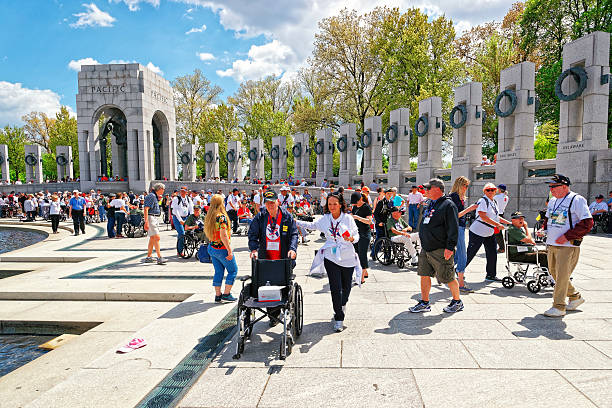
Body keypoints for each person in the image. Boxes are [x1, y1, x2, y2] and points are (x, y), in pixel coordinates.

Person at [296, 192, 360, 332]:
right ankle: (338, 317)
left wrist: (351, 239)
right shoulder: (325, 219)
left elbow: (356, 235)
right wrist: (295, 222)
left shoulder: (348, 218)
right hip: (331, 256)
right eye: (329, 204)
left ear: (341, 205)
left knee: (346, 287)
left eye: (334, 204)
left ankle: (342, 305)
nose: (332, 207)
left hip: (347, 256)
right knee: (335, 288)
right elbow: (311, 225)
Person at [541, 174, 593, 317]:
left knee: (562, 276)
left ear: (564, 186)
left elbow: (587, 223)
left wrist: (566, 236)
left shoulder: (577, 200)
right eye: (550, 187)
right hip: (552, 243)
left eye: (553, 186)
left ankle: (559, 306)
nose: (551, 189)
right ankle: (575, 297)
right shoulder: (552, 201)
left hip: (568, 245)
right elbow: (548, 218)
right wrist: (543, 229)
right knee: (554, 274)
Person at [409, 179, 464, 313]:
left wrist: (450, 247)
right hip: (426, 247)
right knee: (424, 274)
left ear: (438, 189)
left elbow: (453, 228)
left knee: (448, 276)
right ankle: (424, 302)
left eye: (429, 189)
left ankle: (457, 301)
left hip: (440, 248)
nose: (426, 191)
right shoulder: (430, 204)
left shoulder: (448, 205)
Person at [465, 182, 512, 282]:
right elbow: (483, 216)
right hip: (478, 231)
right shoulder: (482, 201)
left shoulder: (494, 201)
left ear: (496, 191)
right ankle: (458, 270)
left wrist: (509, 223)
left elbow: (496, 216)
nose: (490, 191)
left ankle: (491, 275)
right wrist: (497, 225)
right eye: (488, 190)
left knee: (492, 253)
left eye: (492, 190)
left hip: (489, 232)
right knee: (471, 253)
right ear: (484, 191)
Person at [204, 195, 238, 303]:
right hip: (221, 248)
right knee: (233, 270)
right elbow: (223, 235)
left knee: (218, 271)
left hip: (212, 247)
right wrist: (229, 249)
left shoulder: (210, 216)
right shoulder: (221, 217)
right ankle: (226, 294)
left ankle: (218, 295)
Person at [449, 177, 478, 293]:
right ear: (460, 185)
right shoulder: (454, 196)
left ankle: (445, 271)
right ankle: (460, 283)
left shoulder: (459, 197)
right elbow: (456, 215)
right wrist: (470, 209)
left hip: (459, 227)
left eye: (467, 185)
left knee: (458, 254)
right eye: (465, 185)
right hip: (457, 227)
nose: (467, 188)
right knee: (462, 255)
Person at [350, 192, 372, 283]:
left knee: (362, 254)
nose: (354, 204)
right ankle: (364, 271)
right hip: (356, 234)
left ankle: (361, 278)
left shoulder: (367, 207)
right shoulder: (354, 207)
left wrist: (358, 217)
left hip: (365, 234)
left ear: (360, 199)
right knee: (356, 254)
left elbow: (369, 221)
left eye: (356, 202)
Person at [143, 183, 166, 265]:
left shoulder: (153, 196)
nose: (163, 191)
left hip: (153, 217)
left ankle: (149, 256)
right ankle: (159, 257)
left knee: (153, 238)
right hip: (151, 217)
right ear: (160, 189)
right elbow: (146, 209)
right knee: (157, 237)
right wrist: (146, 222)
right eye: (163, 189)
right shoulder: (152, 196)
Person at [372, 188, 394, 259]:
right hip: (380, 223)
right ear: (385, 194)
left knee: (389, 240)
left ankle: (387, 256)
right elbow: (375, 213)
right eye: (388, 194)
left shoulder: (391, 202)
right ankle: (374, 254)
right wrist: (379, 222)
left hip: (387, 223)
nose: (389, 195)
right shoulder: (381, 202)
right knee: (380, 239)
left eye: (391, 194)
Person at [171, 187, 193, 256]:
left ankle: (182, 246)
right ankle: (180, 251)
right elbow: (175, 210)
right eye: (181, 191)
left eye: (184, 191)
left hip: (186, 217)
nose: (182, 192)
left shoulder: (189, 199)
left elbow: (191, 209)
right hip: (177, 218)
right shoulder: (176, 199)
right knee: (181, 233)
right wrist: (180, 220)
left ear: (186, 192)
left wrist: (191, 219)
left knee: (188, 232)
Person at [494, 184, 509, 253]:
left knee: (497, 232)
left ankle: (502, 247)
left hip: (496, 214)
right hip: (502, 214)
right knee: (497, 231)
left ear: (499, 189)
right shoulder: (506, 197)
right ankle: (499, 246)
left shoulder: (496, 197)